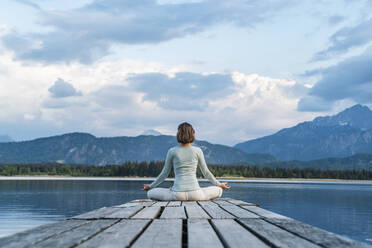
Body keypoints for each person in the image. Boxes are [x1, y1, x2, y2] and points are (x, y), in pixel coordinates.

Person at [143, 122, 230, 201]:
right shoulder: (198, 150)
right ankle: (204, 190)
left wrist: (150, 186)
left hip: (177, 195)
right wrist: (219, 184)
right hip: (196, 194)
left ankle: (171, 190)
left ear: (178, 134)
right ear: (192, 134)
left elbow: (164, 174)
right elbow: (206, 172)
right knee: (219, 190)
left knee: (150, 193)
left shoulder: (172, 151)